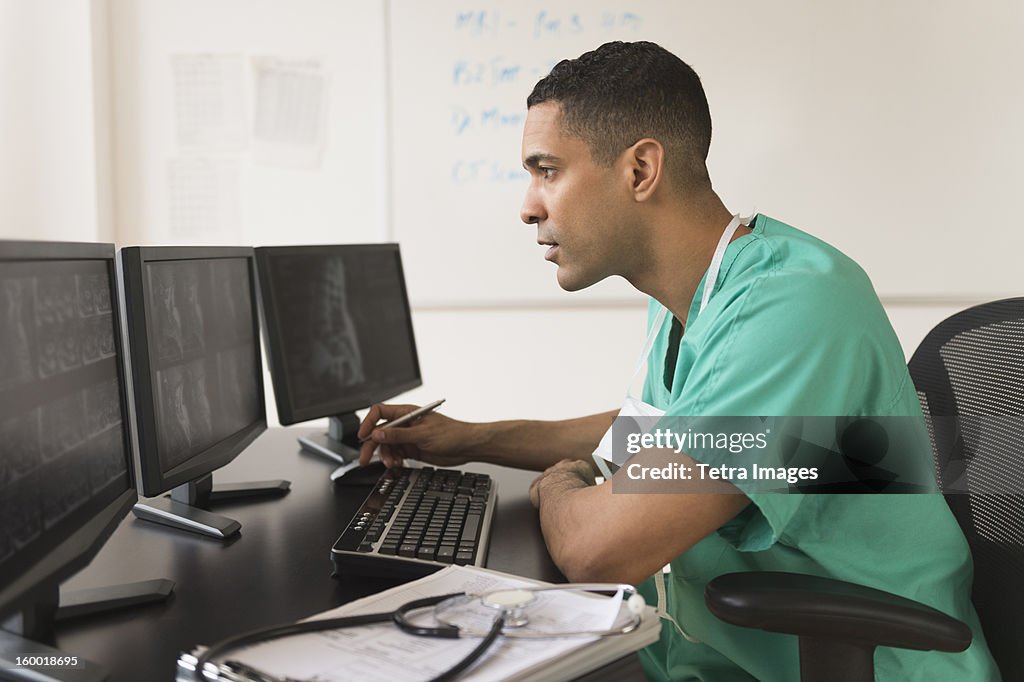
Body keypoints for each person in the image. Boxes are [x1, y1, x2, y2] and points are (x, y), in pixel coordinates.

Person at [357, 41, 997, 680]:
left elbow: (599, 551)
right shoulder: (692, 295)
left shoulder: (794, 304)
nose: (528, 205)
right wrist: (472, 439)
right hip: (716, 654)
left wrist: (556, 485)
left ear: (639, 170)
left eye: (546, 170)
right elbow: (659, 437)